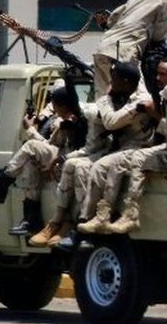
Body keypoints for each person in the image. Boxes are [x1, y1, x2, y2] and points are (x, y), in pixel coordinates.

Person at [0, 86, 86, 236]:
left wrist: (33, 134)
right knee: (31, 161)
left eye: (55, 105)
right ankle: (31, 219)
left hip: (71, 161)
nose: (53, 109)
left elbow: (62, 148)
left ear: (62, 105)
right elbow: (49, 145)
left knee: (31, 146)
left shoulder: (76, 118)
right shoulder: (62, 119)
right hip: (61, 158)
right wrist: (31, 129)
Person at [93, 55, 167, 235]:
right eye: (156, 74)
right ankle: (102, 215)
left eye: (162, 74)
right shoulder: (162, 94)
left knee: (121, 161)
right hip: (161, 143)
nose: (157, 78)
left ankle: (127, 214)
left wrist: (155, 115)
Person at [75, 61, 154, 235]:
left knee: (100, 167)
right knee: (81, 166)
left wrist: (106, 99)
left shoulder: (138, 101)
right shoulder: (125, 95)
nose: (111, 82)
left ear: (125, 81)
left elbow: (111, 123)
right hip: (123, 147)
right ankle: (86, 217)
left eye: (114, 78)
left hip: (138, 146)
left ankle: (94, 217)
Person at [28, 100, 109, 247]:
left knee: (79, 169)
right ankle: (56, 221)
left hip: (99, 156)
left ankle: (78, 223)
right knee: (70, 165)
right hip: (70, 163)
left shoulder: (97, 118)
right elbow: (53, 143)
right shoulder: (56, 120)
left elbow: (91, 147)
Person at [93, 0, 167, 97]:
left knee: (104, 99)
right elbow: (158, 36)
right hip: (124, 52)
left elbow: (112, 19)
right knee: (138, 99)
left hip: (104, 48)